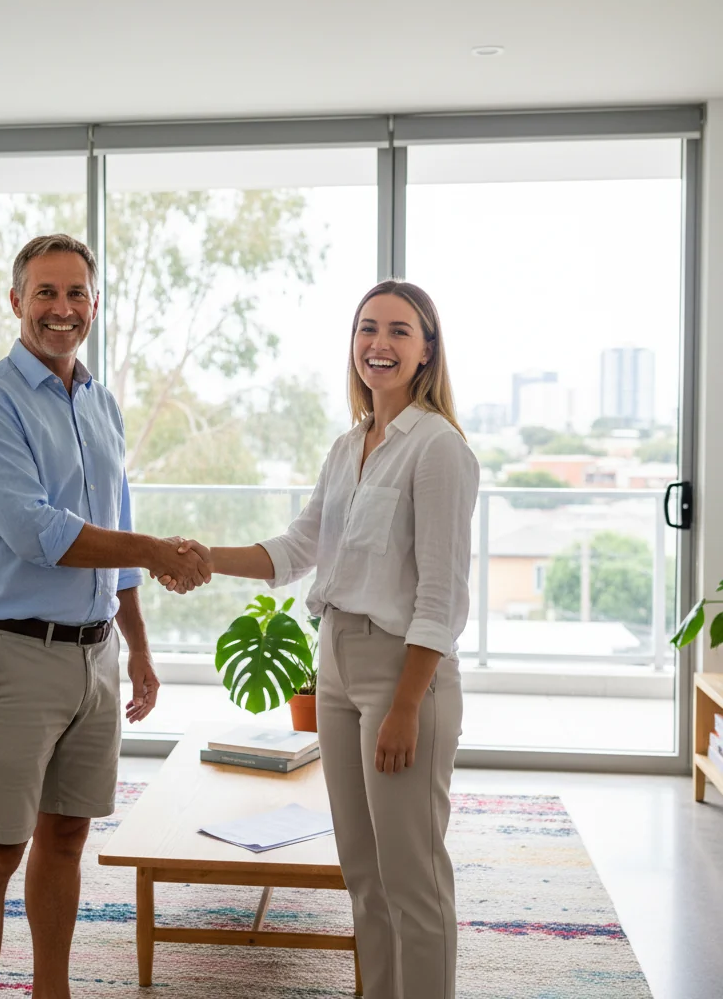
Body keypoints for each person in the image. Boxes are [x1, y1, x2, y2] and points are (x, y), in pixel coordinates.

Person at [165, 280, 479, 999]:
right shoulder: (347, 447)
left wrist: (406, 705)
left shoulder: (438, 449)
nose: (379, 343)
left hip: (403, 672)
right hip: (334, 662)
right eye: (368, 328)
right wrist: (206, 558)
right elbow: (296, 549)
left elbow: (442, 596)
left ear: (427, 350)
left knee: (413, 876)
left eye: (399, 331)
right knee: (363, 872)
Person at [0, 233, 212, 999]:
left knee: (65, 839)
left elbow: (112, 535)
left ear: (94, 305)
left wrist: (139, 649)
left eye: (76, 294)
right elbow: (38, 532)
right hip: (13, 658)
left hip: (96, 658)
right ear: (16, 301)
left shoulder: (101, 403)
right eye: (46, 293)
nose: (61, 309)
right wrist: (157, 549)